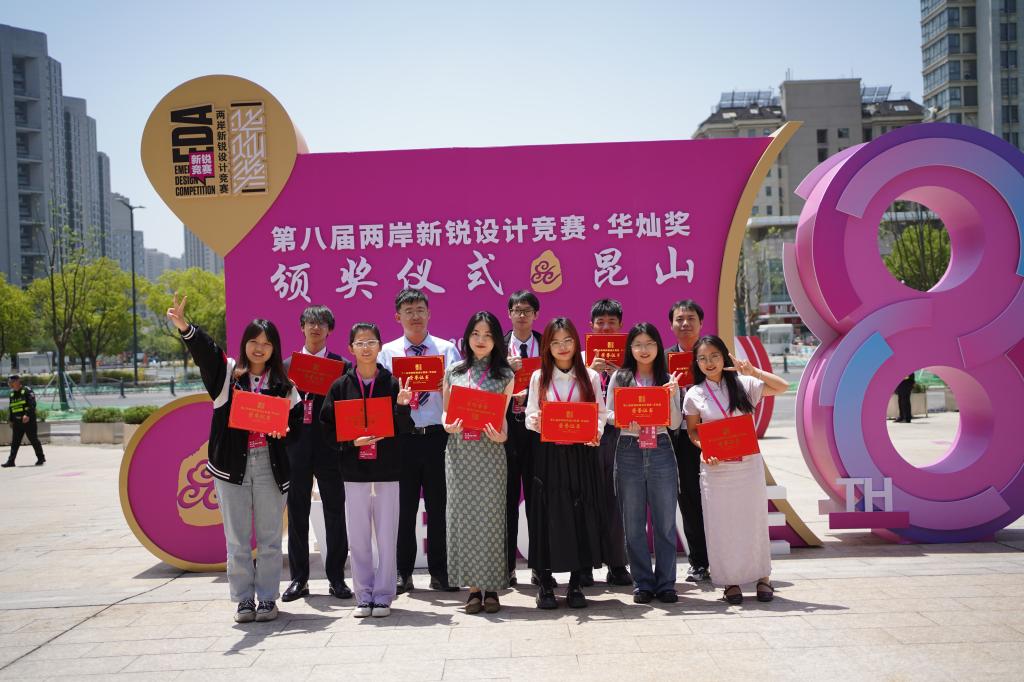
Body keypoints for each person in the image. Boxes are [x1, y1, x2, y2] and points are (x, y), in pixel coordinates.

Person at [167, 293, 301, 622]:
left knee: (270, 539)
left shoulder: (285, 385)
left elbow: (296, 426)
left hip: (270, 468)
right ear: (244, 344)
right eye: (254, 341)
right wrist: (186, 328)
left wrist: (284, 431)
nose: (259, 348)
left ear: (275, 349)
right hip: (231, 468)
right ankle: (243, 600)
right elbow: (207, 353)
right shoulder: (227, 375)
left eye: (266, 344)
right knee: (238, 539)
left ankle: (267, 598)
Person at [683, 335, 789, 605]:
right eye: (702, 358)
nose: (709, 362)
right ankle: (730, 581)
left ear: (725, 356)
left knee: (754, 521)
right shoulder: (695, 393)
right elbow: (693, 431)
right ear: (696, 362)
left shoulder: (744, 384)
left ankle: (763, 577)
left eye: (714, 356)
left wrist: (753, 371)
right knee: (722, 525)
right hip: (716, 469)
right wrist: (704, 449)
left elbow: (782, 386)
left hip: (748, 466)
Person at [320, 323, 415, 618]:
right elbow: (327, 428)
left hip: (387, 471)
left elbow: (405, 430)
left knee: (387, 536)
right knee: (359, 538)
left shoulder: (393, 384)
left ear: (380, 347)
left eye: (371, 342)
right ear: (350, 348)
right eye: (360, 343)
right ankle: (363, 595)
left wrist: (402, 406)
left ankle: (384, 595)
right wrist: (351, 442)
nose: (365, 348)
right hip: (354, 472)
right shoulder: (339, 386)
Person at [379, 289, 462, 593]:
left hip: (439, 438)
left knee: (440, 507)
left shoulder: (447, 350)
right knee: (403, 509)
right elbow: (381, 397)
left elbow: (462, 394)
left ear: (429, 314)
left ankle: (441, 572)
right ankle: (403, 572)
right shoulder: (387, 353)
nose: (415, 316)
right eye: (408, 311)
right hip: (403, 439)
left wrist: (447, 389)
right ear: (397, 317)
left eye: (420, 310)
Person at [525, 317, 608, 609]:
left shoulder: (590, 377)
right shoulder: (539, 377)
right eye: (556, 342)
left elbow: (601, 414)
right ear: (547, 346)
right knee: (547, 513)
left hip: (580, 454)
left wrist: (596, 432)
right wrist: (537, 421)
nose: (562, 347)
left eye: (568, 341)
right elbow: (529, 415)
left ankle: (575, 583)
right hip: (548, 454)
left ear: (576, 342)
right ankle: (545, 582)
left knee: (579, 512)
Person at [442, 311, 514, 613]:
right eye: (475, 334)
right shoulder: (454, 371)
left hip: (490, 455)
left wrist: (502, 436)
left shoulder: (505, 375)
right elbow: (445, 412)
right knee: (463, 519)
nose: (481, 340)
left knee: (491, 520)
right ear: (467, 337)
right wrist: (448, 425)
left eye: (487, 335)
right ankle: (473, 589)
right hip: (460, 454)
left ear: (496, 339)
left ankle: (492, 588)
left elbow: (504, 418)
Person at [606, 322, 682, 604]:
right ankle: (643, 583)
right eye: (638, 344)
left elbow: (675, 423)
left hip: (661, 448)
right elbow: (607, 414)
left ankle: (666, 583)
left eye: (649, 343)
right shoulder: (621, 377)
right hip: (629, 449)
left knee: (665, 523)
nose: (644, 349)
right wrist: (624, 419)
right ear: (630, 348)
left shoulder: (667, 378)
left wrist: (671, 396)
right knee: (634, 524)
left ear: (658, 346)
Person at [282, 305, 353, 602]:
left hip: (330, 448)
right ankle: (299, 579)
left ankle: (337, 578)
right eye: (310, 322)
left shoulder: (342, 366)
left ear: (330, 330)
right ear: (301, 327)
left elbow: (348, 408)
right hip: (295, 448)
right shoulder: (285, 366)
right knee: (297, 512)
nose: (315, 327)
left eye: (322, 323)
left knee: (335, 512)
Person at [583, 299, 632, 588]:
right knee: (585, 501)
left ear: (620, 325)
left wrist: (621, 374)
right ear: (591, 326)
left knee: (616, 501)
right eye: (600, 322)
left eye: (611, 322)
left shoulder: (631, 360)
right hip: (586, 436)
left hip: (619, 436)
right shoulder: (578, 358)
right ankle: (585, 565)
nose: (605, 328)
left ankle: (617, 564)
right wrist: (589, 370)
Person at [665, 300, 710, 582]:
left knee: (718, 499)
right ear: (671, 325)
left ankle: (726, 559)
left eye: (691, 318)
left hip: (712, 435)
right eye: (679, 319)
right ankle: (699, 562)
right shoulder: (663, 359)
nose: (685, 323)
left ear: (701, 323)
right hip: (679, 438)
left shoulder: (714, 354)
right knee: (689, 499)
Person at [504, 290, 543, 587]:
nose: (521, 315)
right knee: (505, 503)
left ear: (535, 315)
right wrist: (505, 371)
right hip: (505, 433)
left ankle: (540, 566)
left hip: (539, 433)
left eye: (527, 310)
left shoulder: (548, 343)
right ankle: (506, 568)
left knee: (538, 501)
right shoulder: (497, 346)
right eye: (516, 310)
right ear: (509, 314)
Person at [3, 375, 45, 467]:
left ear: (18, 381)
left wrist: (27, 415)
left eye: (11, 382)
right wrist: (10, 420)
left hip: (28, 421)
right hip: (17, 422)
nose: (10, 384)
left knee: (33, 439)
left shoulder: (27, 390)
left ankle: (41, 458)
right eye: (9, 382)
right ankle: (11, 461)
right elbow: (11, 408)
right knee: (15, 442)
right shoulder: (12, 394)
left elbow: (32, 404)